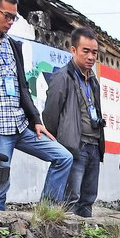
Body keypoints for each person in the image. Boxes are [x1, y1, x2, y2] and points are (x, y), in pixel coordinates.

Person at [0, 0, 73, 210]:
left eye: (14, 17)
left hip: (22, 126)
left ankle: (46, 213)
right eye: (7, 15)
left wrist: (36, 120)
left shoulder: (12, 45)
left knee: (63, 157)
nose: (11, 21)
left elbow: (23, 88)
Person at [42, 27, 105, 218]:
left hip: (94, 146)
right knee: (71, 197)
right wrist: (63, 139)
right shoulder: (63, 77)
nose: (91, 57)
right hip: (74, 147)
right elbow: (50, 114)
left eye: (94, 52)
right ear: (73, 50)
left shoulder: (93, 81)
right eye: (85, 51)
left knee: (88, 197)